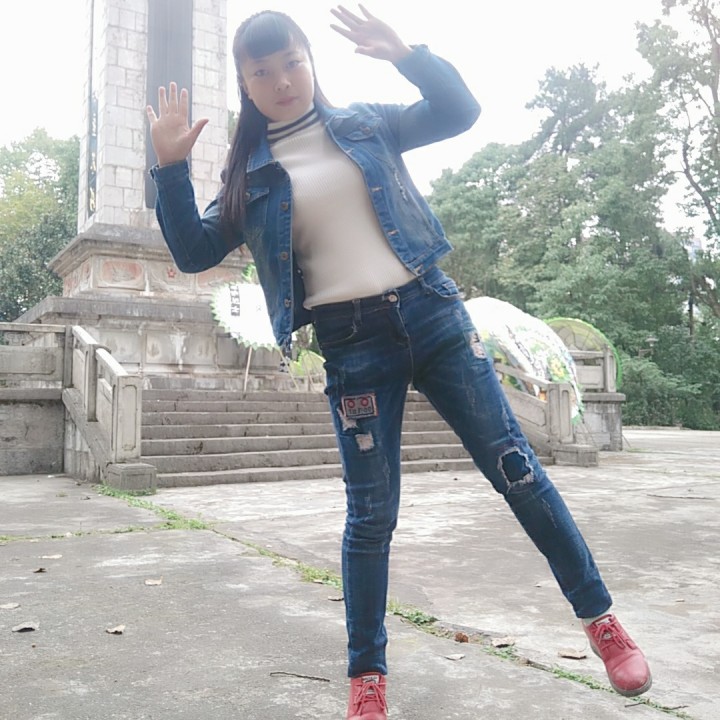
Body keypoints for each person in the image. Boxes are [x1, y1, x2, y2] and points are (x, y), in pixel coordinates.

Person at [146, 5, 652, 718]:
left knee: (516, 468)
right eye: (262, 72)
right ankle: (367, 680)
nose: (282, 80)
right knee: (371, 515)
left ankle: (601, 621)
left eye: (291, 62)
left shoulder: (365, 124)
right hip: (352, 345)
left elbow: (458, 111)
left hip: (433, 315)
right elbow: (193, 252)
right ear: (246, 85)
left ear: (309, 63)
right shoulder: (248, 179)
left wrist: (408, 54)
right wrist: (169, 168)